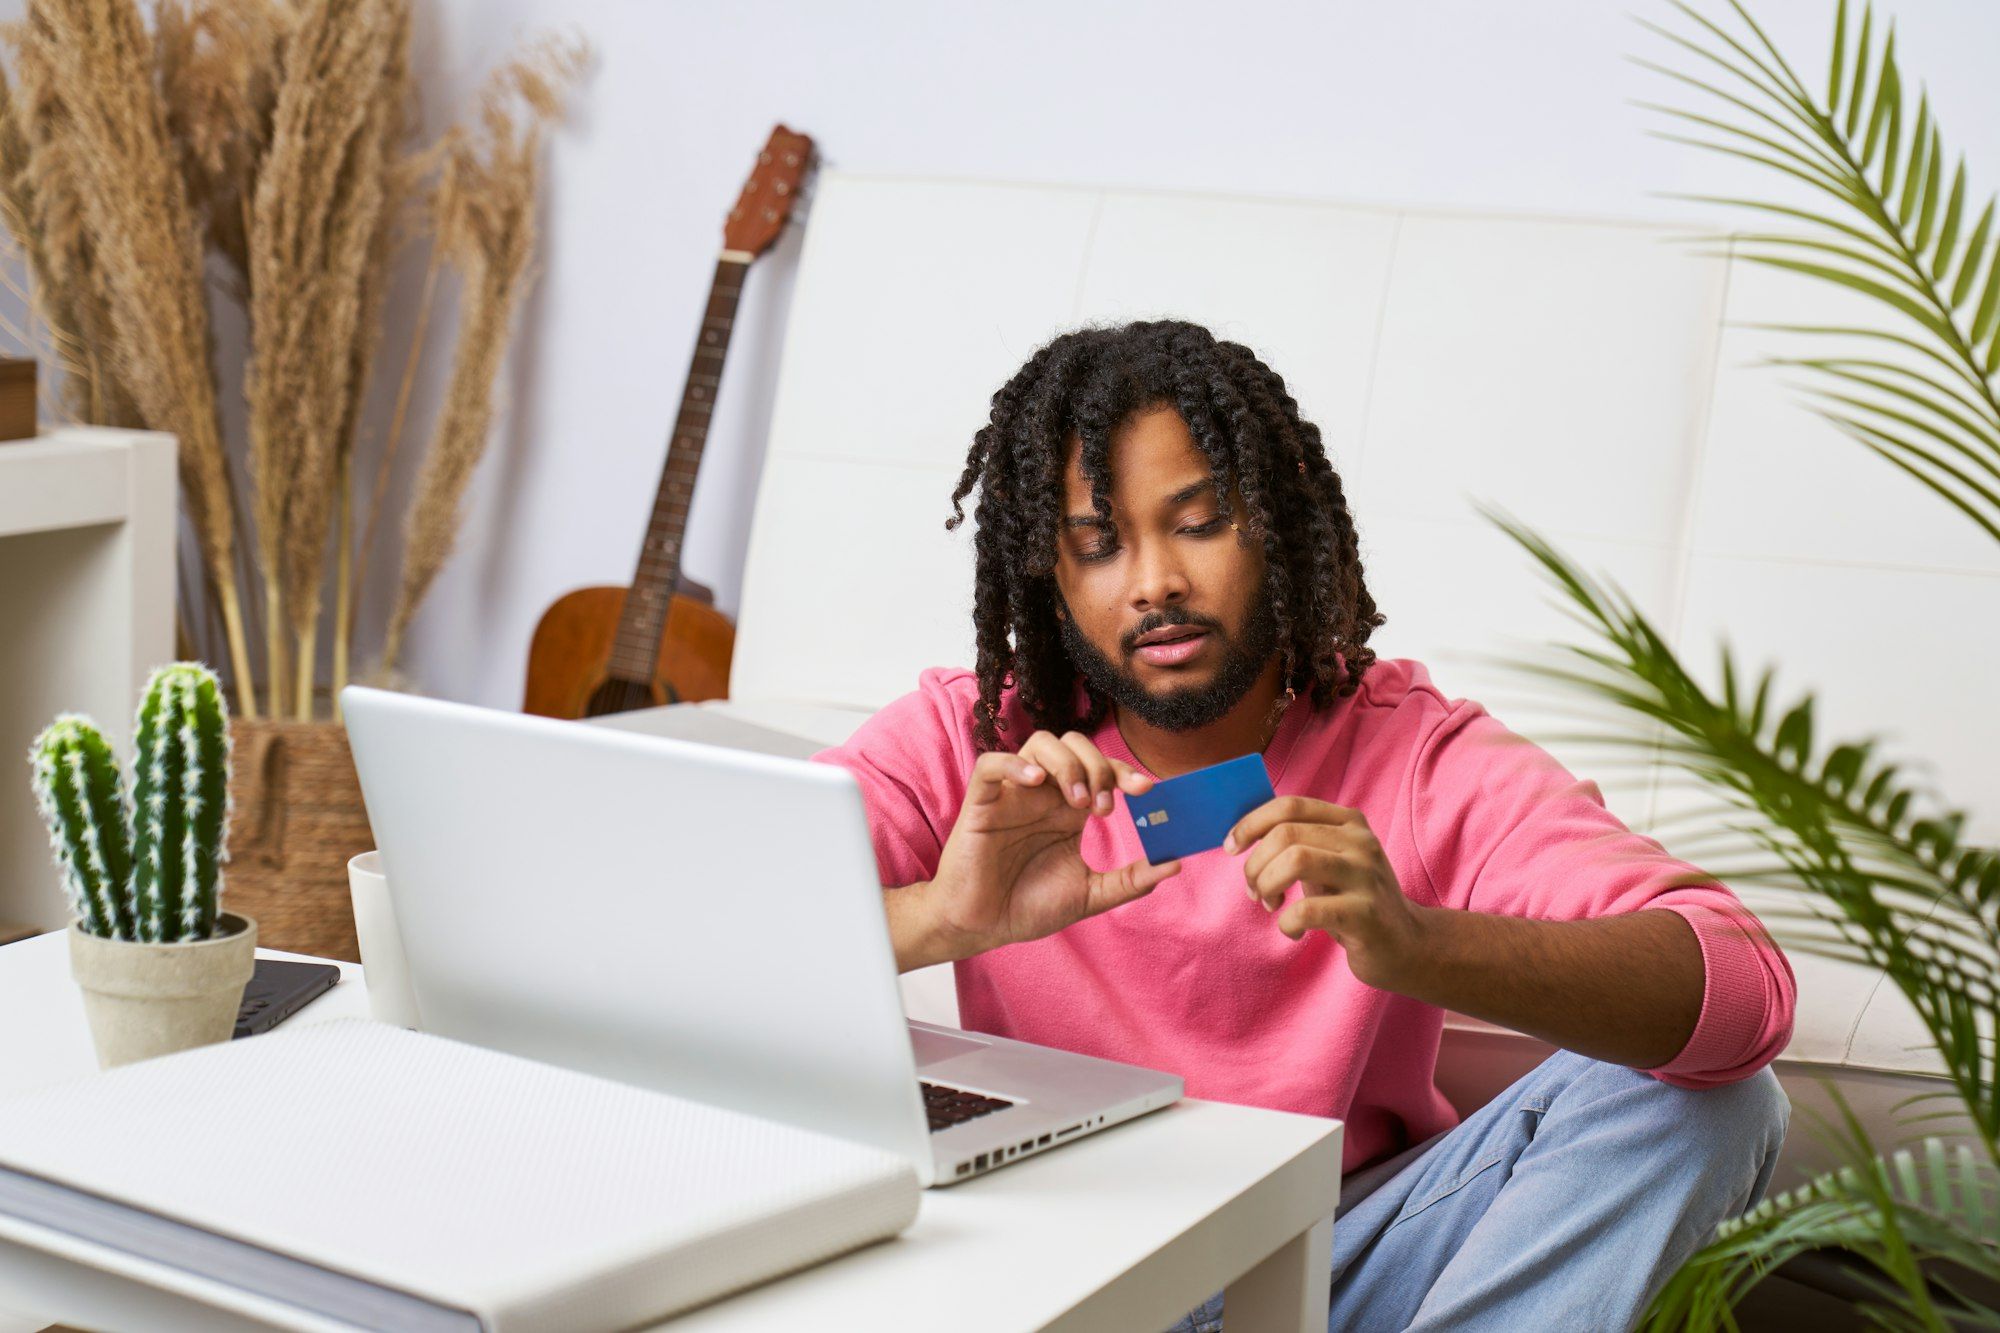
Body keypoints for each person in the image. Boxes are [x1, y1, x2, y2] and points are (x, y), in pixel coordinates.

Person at [810, 319, 1794, 1330]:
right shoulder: (973, 739)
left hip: (1331, 1262)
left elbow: (1743, 987)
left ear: (1275, 521)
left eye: (1199, 522)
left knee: (1716, 1100)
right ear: (1048, 581)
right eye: (1097, 545)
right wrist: (943, 916)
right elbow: (714, 920)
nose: (1154, 582)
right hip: (1056, 1276)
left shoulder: (1414, 752)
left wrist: (1418, 942)